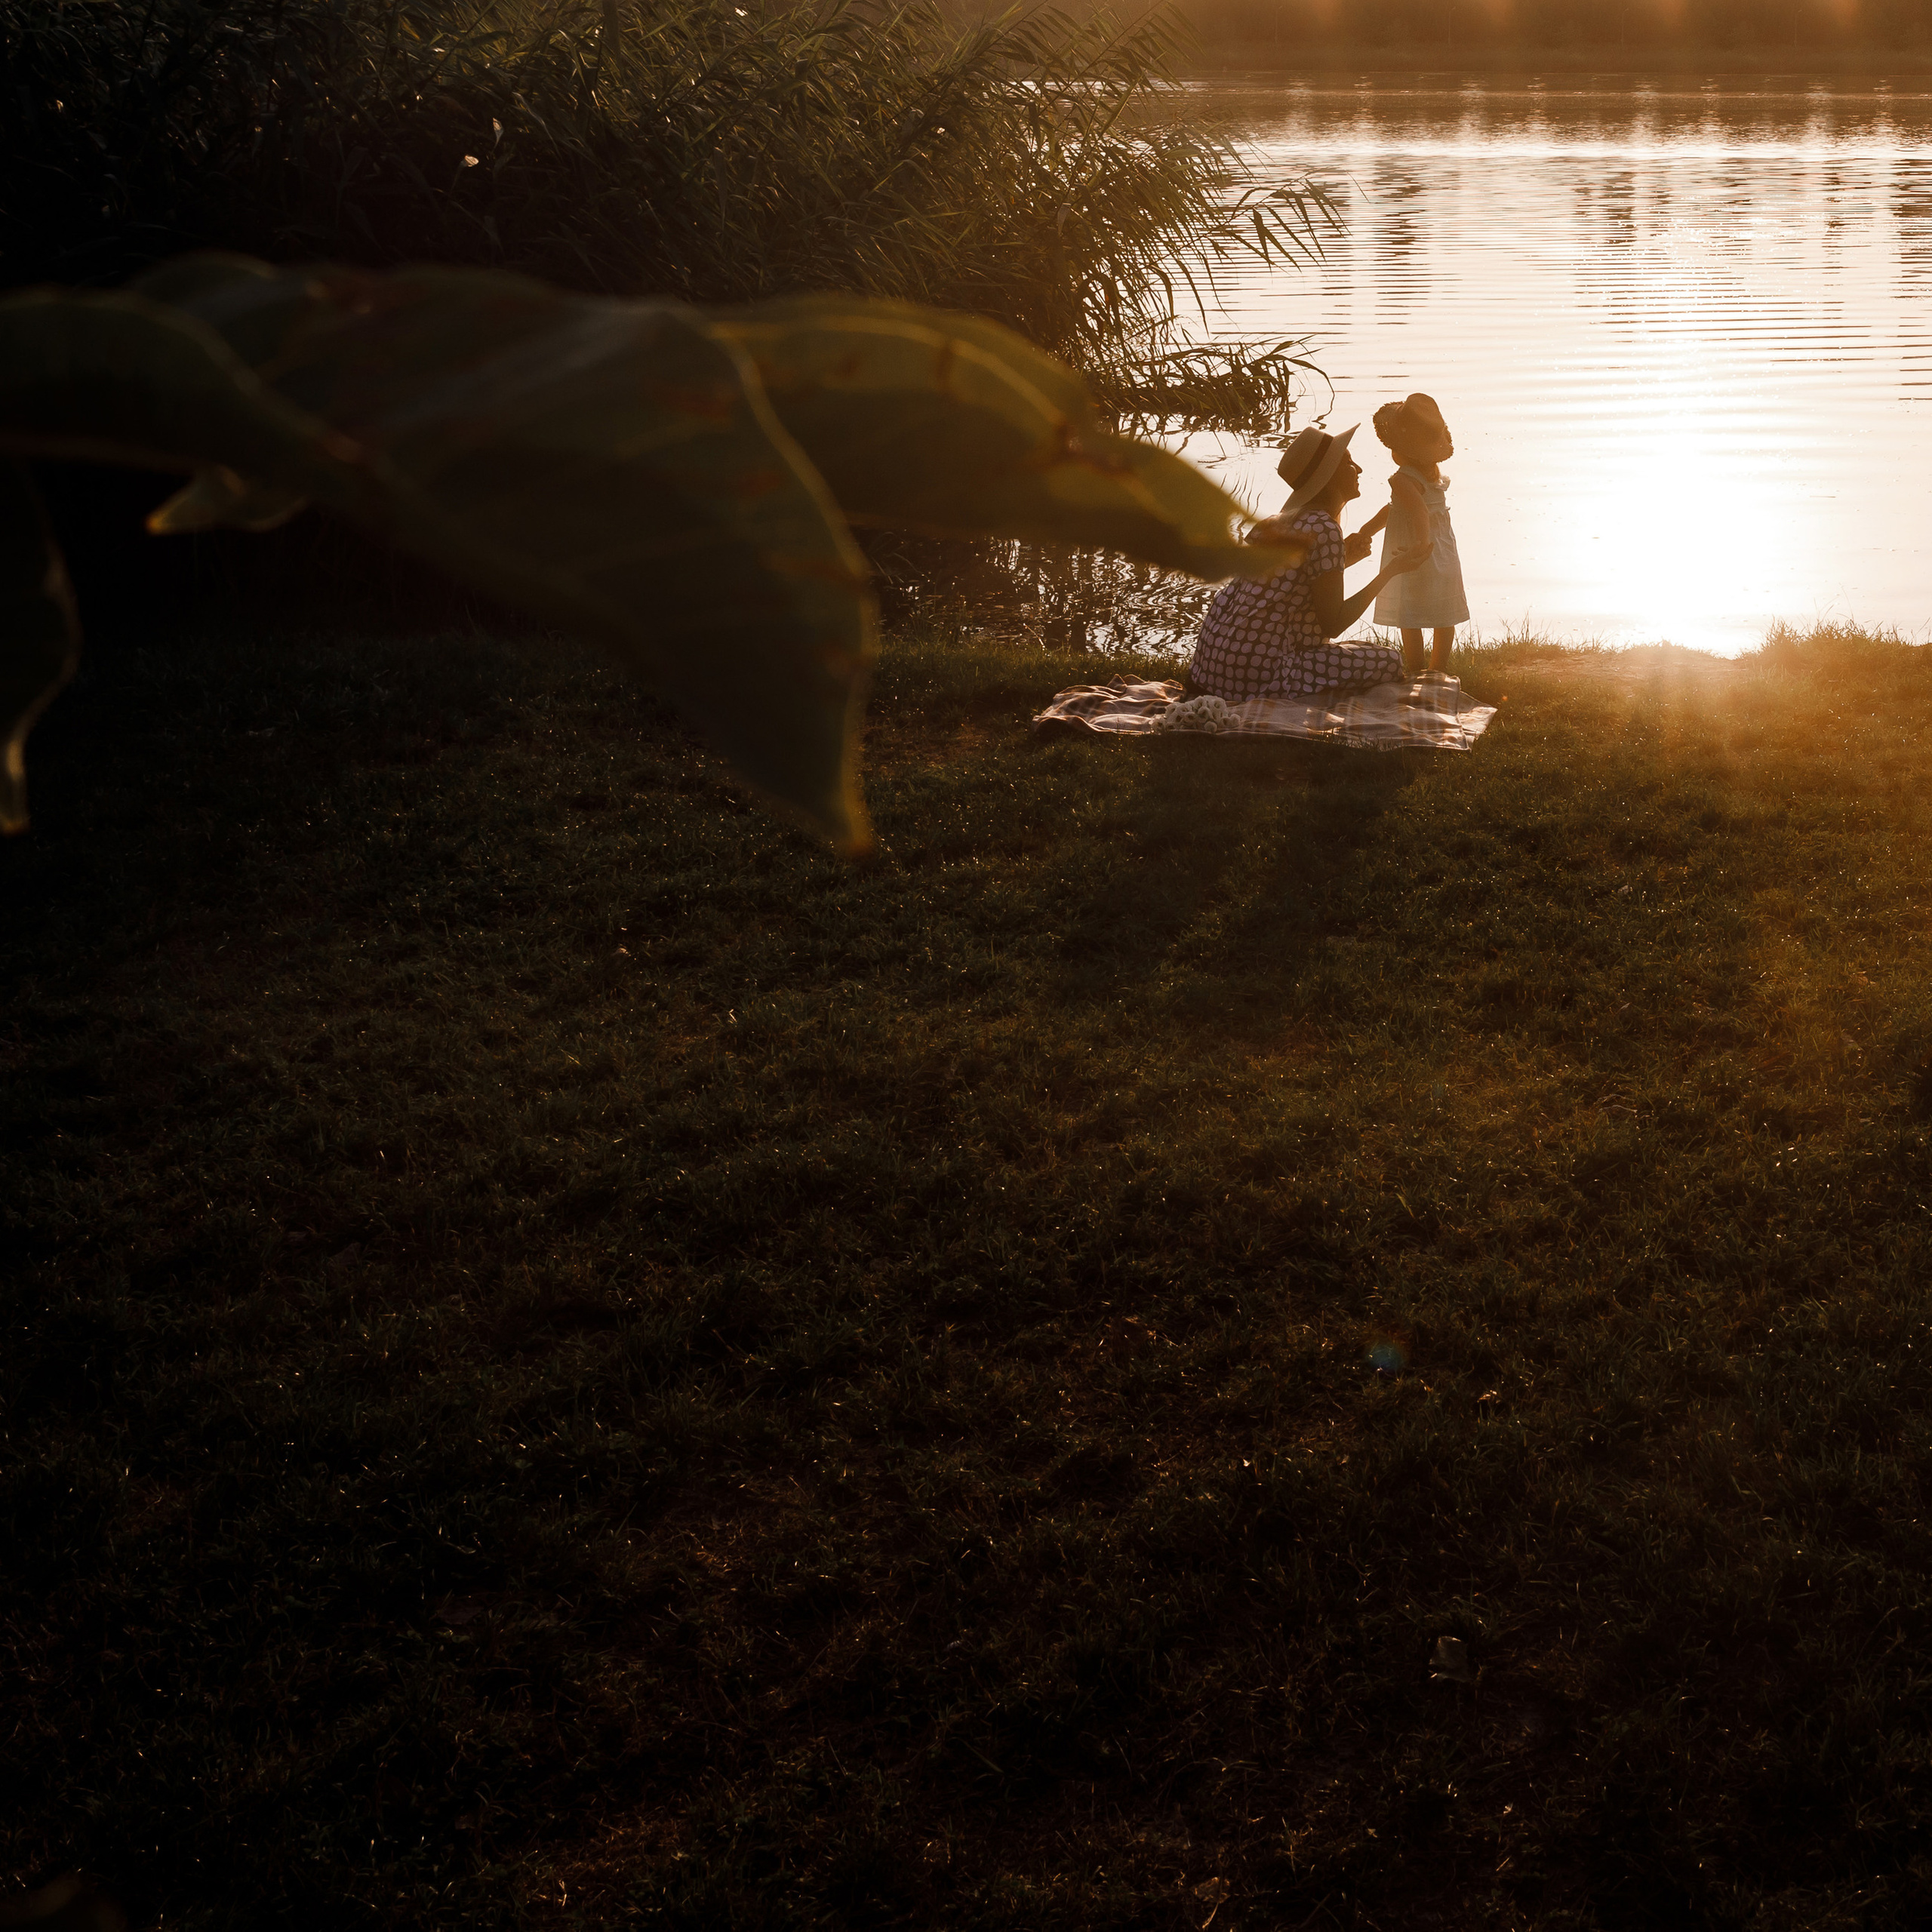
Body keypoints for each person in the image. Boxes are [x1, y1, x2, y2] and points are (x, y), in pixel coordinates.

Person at [1186, 424, 1432, 703]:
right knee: (1388, 661)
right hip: (1258, 674)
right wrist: (1391, 571)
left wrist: (1343, 560)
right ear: (1329, 477)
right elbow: (1333, 624)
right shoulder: (1325, 528)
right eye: (1349, 463)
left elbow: (1284, 588)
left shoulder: (1276, 523)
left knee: (1359, 655)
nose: (1359, 469)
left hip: (1210, 669)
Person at [1371, 392, 1469, 676]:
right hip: (1443, 551)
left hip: (1416, 550)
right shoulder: (1434, 477)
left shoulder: (1402, 478)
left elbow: (1416, 513)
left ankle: (1415, 669)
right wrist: (1368, 530)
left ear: (1400, 451)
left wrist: (1419, 546)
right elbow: (1398, 509)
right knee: (1443, 613)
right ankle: (1437, 670)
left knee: (1409, 614)